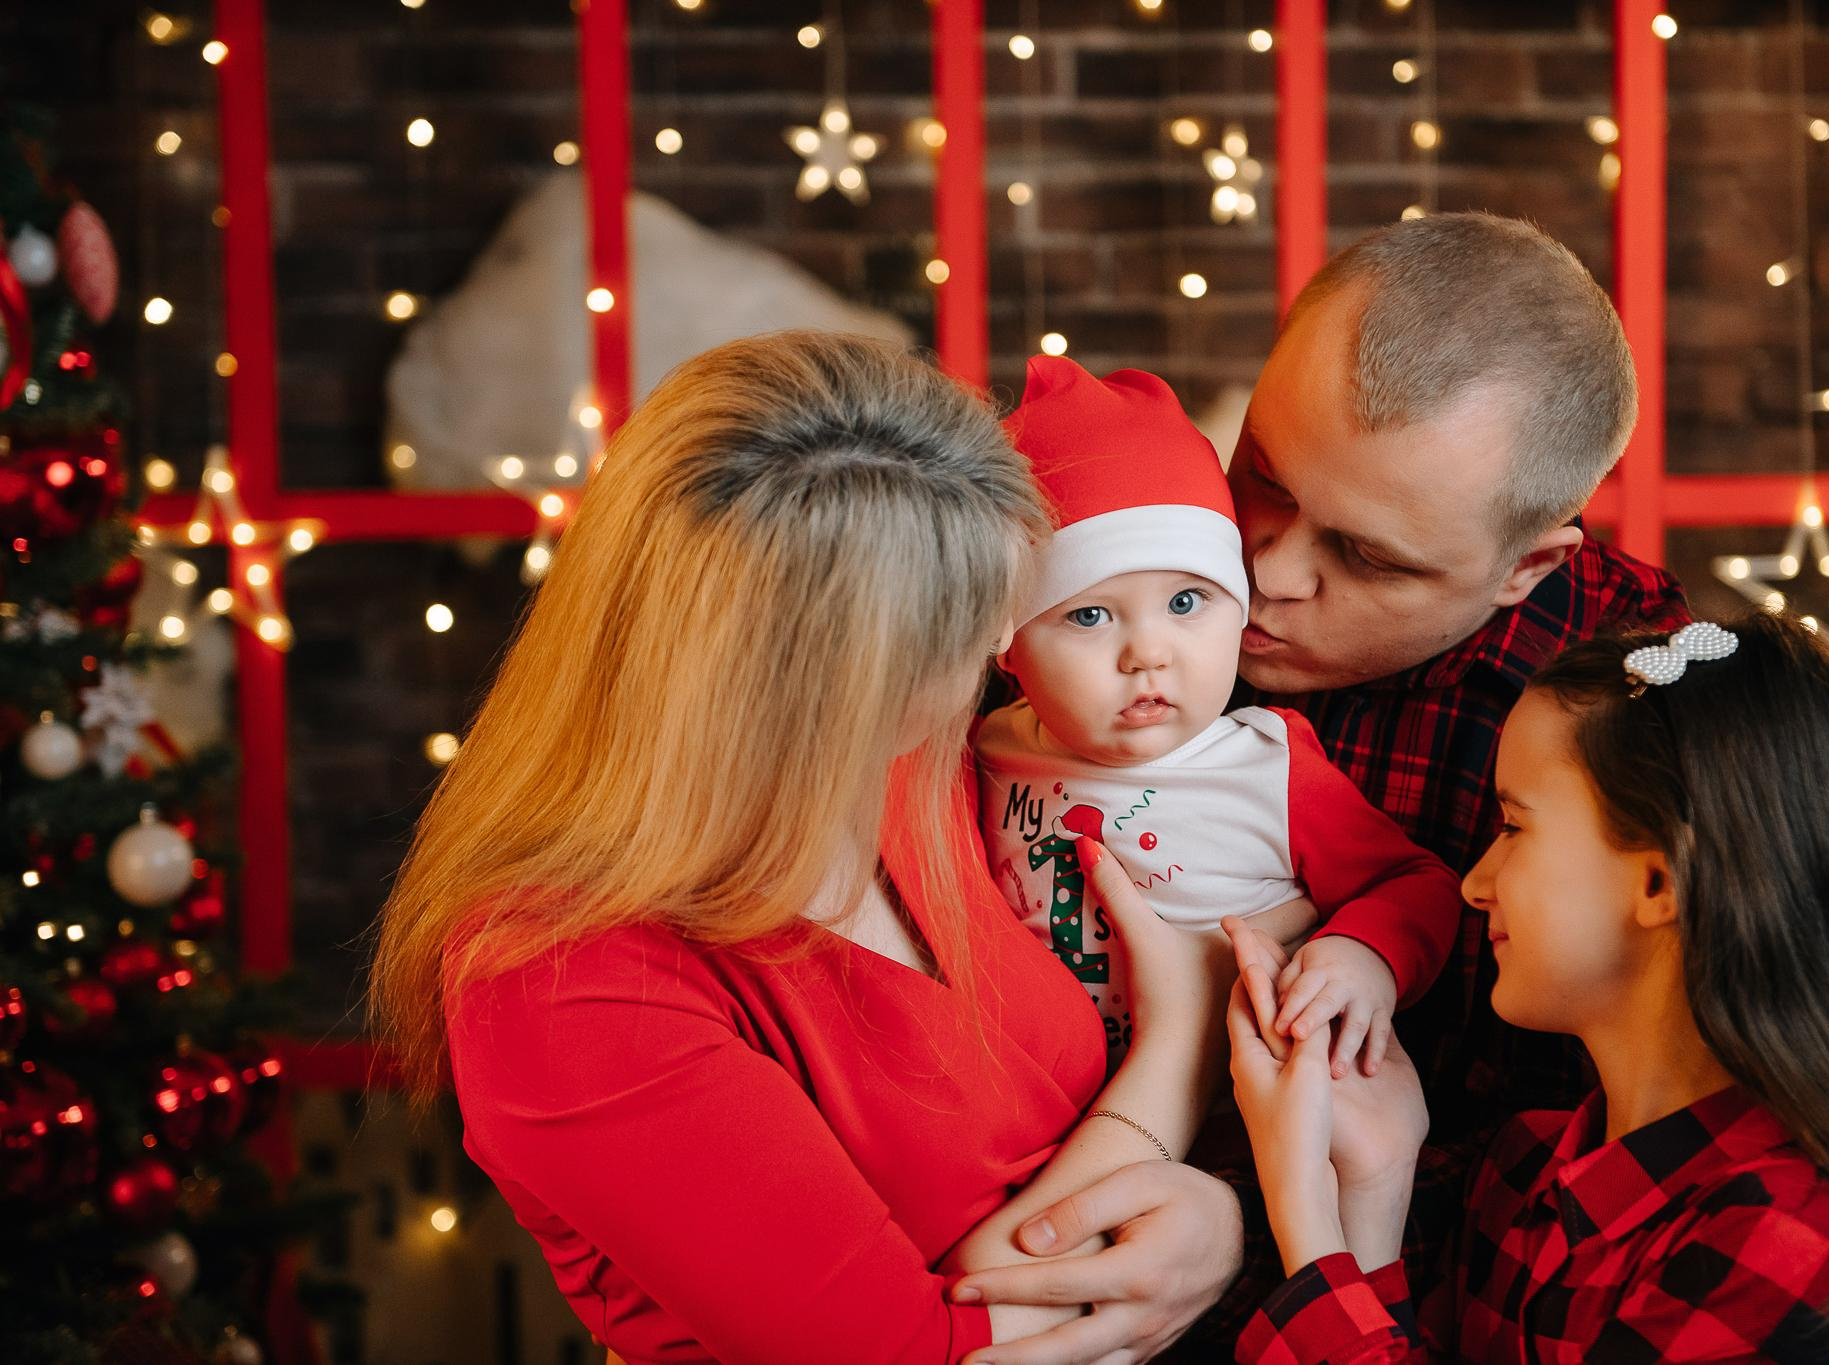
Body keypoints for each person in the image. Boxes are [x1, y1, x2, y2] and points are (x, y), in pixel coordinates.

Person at [367, 331, 1246, 1364]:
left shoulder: (914, 765)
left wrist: (1209, 1216)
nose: (993, 670)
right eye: (969, 644)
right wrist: (1178, 1063)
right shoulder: (560, 981)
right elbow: (914, 1355)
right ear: (822, 691)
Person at [952, 214, 1693, 1358]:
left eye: (1367, 558)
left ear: (1526, 567)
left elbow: (1569, 1187)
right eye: (1262, 478)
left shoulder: (1635, 728)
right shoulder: (1151, 554)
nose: (1264, 572)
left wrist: (1237, 1226)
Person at [1225, 614, 1829, 1364]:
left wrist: (1303, 1215)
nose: (1476, 881)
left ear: (1659, 880)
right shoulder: (1524, 1167)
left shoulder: (1783, 1236)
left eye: (1514, 827)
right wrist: (1374, 1180)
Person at [976, 355, 1462, 1074]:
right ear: (1006, 647)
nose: (1148, 653)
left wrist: (1362, 956)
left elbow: (1414, 883)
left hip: (1239, 1103)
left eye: (1184, 602)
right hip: (1054, 1095)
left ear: (1237, 611)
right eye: (1088, 614)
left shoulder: (1270, 767)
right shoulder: (988, 747)